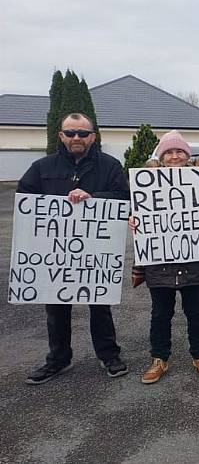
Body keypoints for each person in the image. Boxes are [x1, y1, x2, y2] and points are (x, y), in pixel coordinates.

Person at [17, 112, 130, 384]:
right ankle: (58, 359)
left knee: (99, 305)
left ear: (93, 136)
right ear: (61, 136)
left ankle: (109, 355)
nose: (76, 138)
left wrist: (93, 198)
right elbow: (25, 201)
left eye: (82, 133)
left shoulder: (110, 166)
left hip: (96, 253)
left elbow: (124, 198)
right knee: (55, 307)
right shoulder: (41, 168)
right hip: (55, 254)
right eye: (70, 133)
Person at [131, 130, 199, 384]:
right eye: (169, 152)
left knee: (196, 312)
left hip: (193, 261)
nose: (174, 156)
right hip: (159, 263)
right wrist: (133, 220)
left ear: (187, 155)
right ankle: (159, 359)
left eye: (179, 151)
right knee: (160, 314)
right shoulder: (146, 184)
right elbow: (136, 213)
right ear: (161, 157)